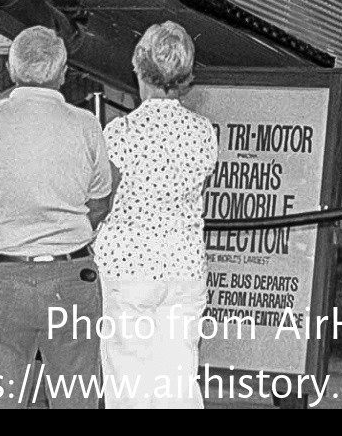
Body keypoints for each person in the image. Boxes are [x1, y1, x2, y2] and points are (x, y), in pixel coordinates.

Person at [0, 26, 112, 410]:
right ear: (62, 71)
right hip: (71, 278)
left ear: (11, 68)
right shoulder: (86, 124)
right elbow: (101, 203)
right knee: (77, 397)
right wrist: (60, 234)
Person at [93, 21, 218, 409]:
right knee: (179, 382)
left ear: (138, 67)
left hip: (128, 270)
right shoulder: (203, 132)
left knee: (128, 386)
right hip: (183, 268)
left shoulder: (120, 132)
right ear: (184, 75)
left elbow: (103, 199)